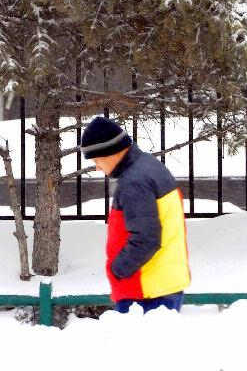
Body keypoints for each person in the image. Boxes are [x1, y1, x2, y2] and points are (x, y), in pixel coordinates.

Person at [80, 115, 190, 313]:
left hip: (146, 290)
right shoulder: (148, 167)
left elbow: (146, 239)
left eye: (97, 159)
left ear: (110, 151)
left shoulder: (134, 182)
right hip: (162, 283)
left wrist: (117, 270)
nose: (97, 166)